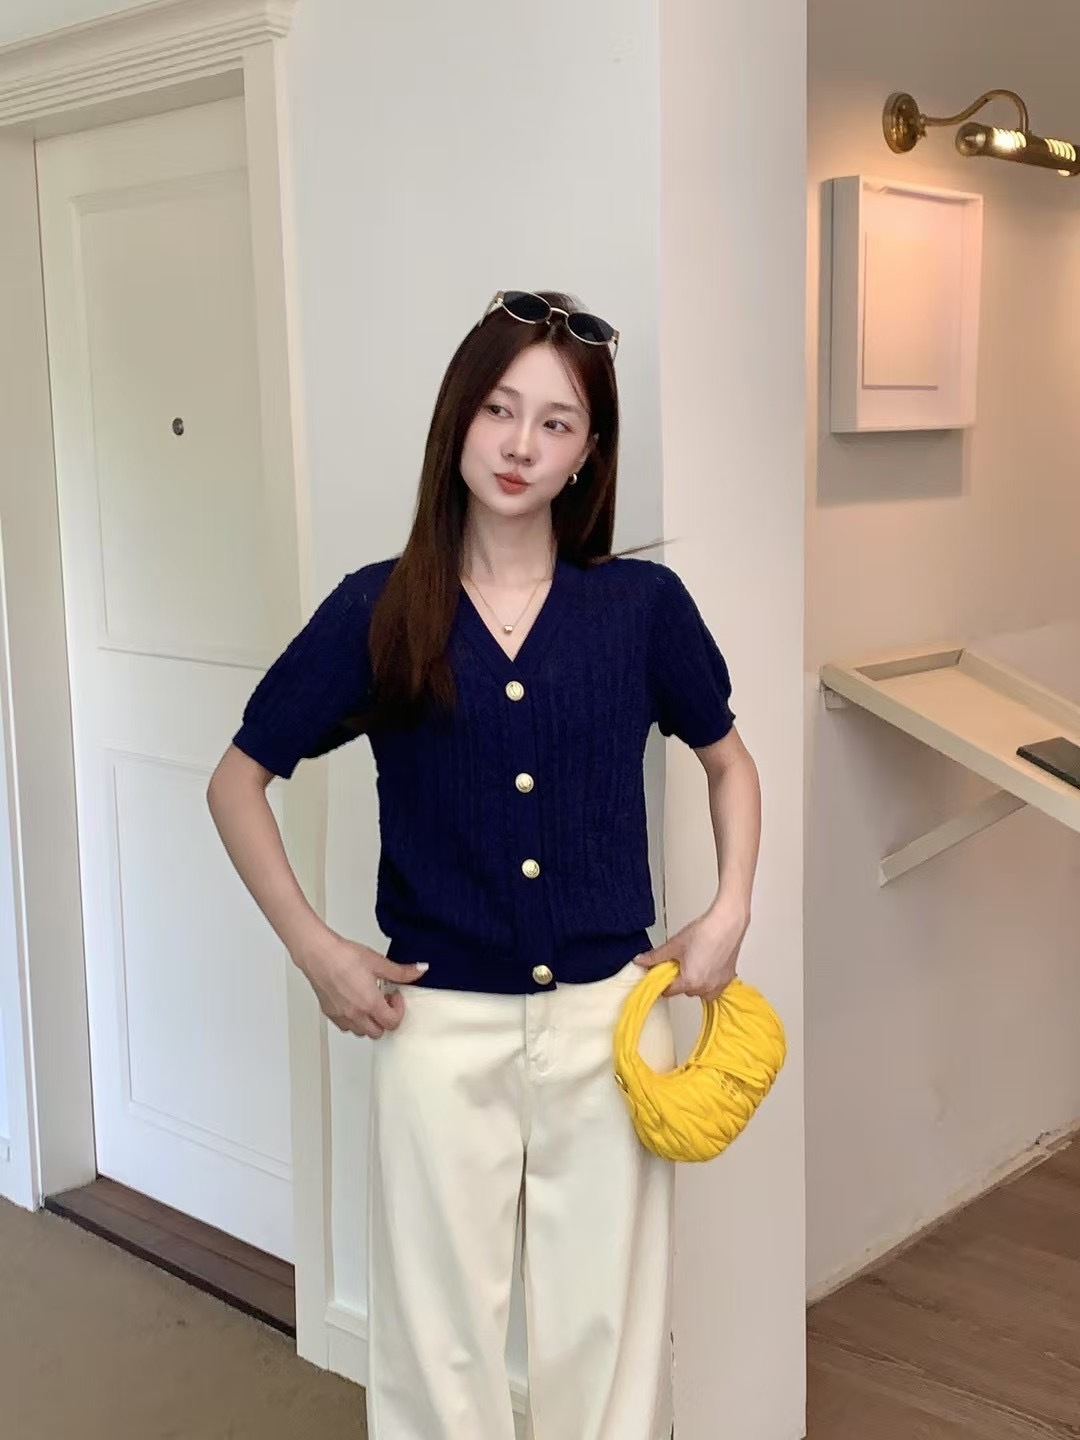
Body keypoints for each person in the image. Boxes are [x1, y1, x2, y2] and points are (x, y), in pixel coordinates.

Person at [206, 289, 761, 1440]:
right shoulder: (378, 608)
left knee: (603, 1331)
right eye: (500, 410)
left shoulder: (640, 609)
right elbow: (237, 781)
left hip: (609, 1023)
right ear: (457, 418)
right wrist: (317, 952)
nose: (520, 445)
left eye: (556, 423)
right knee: (434, 1341)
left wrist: (729, 912)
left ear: (588, 452)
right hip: (437, 1025)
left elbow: (729, 763)